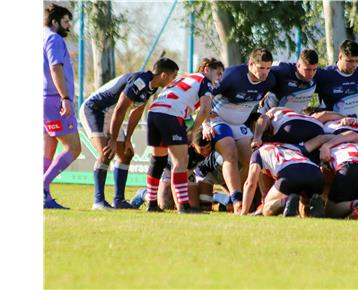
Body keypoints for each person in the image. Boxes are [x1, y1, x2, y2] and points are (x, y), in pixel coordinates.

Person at [79, 58, 179, 210]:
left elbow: (136, 111)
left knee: (126, 154)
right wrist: (113, 139)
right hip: (95, 110)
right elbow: (120, 109)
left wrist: (127, 139)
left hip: (112, 114)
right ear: (164, 75)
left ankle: (118, 200)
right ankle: (98, 201)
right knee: (106, 152)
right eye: (174, 76)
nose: (174, 80)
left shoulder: (152, 87)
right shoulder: (140, 81)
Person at [144, 58, 224, 213]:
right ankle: (183, 206)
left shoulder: (184, 77)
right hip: (171, 115)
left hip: (154, 113)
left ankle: (151, 204)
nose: (219, 78)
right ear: (207, 69)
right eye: (218, 73)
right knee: (181, 161)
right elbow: (205, 109)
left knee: (158, 161)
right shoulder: (205, 80)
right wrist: (193, 130)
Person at [203, 48, 277, 213]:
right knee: (230, 152)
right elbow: (205, 94)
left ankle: (232, 198)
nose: (265, 72)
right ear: (251, 64)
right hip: (218, 119)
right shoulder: (232, 75)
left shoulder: (270, 80)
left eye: (268, 68)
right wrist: (205, 123)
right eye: (261, 68)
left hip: (239, 125)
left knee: (252, 161)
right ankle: (237, 203)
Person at [43, 4, 82, 209]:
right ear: (55, 21)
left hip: (43, 100)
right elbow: (55, 67)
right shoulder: (53, 39)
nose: (68, 26)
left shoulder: (41, 36)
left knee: (48, 152)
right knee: (74, 148)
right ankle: (41, 187)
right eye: (66, 22)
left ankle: (44, 197)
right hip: (55, 100)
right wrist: (65, 98)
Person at [240, 143, 325, 218]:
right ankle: (313, 206)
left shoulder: (258, 152)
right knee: (303, 203)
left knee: (266, 207)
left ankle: (285, 202)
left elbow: (250, 183)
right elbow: (319, 139)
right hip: (316, 173)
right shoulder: (292, 146)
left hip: (289, 173)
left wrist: (243, 213)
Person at [315, 40, 358, 116]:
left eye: (356, 61)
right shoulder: (325, 74)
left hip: (354, 121)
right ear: (340, 56)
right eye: (350, 61)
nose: (354, 65)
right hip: (331, 123)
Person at [258, 49, 319, 114]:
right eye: (307, 69)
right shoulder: (283, 70)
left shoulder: (319, 75)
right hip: (267, 116)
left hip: (292, 119)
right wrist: (261, 94)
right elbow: (261, 70)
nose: (311, 74)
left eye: (314, 69)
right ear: (298, 65)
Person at [251, 107, 324, 148]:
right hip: (317, 130)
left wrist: (256, 138)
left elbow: (264, 117)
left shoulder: (271, 115)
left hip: (289, 126)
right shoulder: (291, 113)